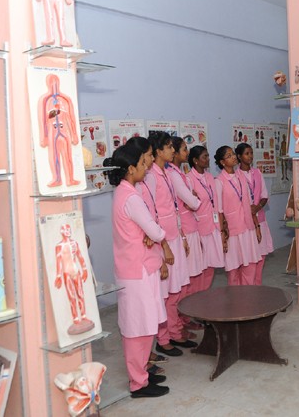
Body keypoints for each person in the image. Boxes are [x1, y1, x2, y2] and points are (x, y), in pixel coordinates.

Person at [104, 141, 171, 398]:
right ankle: (138, 383)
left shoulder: (125, 192)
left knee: (143, 324)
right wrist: (154, 234)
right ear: (131, 168)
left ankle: (142, 372)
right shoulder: (130, 196)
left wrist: (150, 233)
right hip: (136, 271)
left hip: (138, 267)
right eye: (144, 163)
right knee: (136, 328)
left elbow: (147, 229)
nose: (148, 167)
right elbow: (154, 229)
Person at [136, 133, 195, 357]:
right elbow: (152, 213)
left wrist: (182, 236)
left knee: (176, 289)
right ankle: (164, 338)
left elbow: (173, 208)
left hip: (173, 237)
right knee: (165, 292)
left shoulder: (167, 173)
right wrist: (163, 246)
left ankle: (174, 330)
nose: (173, 151)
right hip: (162, 240)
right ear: (158, 151)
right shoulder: (150, 177)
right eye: (169, 147)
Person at [166, 136, 205, 336]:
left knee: (191, 280)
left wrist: (193, 200)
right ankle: (180, 322)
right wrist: (193, 201)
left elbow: (192, 199)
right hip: (184, 231)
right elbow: (192, 201)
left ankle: (186, 318)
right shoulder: (171, 174)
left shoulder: (179, 173)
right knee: (184, 281)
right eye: (183, 149)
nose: (186, 153)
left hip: (191, 226)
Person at [214, 145, 260, 285]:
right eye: (229, 156)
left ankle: (248, 297)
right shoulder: (219, 181)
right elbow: (219, 212)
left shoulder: (241, 176)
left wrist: (256, 226)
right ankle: (236, 300)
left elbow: (250, 204)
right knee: (234, 269)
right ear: (222, 162)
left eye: (233, 154)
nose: (233, 157)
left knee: (250, 265)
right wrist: (222, 235)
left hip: (247, 227)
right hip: (232, 231)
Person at [188, 145, 225, 290]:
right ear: (195, 160)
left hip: (213, 226)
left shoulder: (210, 177)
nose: (208, 159)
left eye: (208, 156)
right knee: (199, 267)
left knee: (211, 265)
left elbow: (215, 203)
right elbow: (190, 208)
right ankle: (196, 297)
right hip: (199, 229)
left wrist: (221, 229)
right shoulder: (189, 179)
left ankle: (204, 295)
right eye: (205, 156)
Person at [235, 143, 272, 285]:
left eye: (251, 153)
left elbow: (264, 195)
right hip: (246, 224)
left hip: (260, 220)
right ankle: (245, 291)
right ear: (239, 156)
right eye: (246, 154)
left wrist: (258, 207)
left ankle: (258, 288)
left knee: (261, 258)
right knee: (247, 260)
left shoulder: (257, 173)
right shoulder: (236, 176)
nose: (250, 156)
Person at [38, 73, 80, 188]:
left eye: (55, 81)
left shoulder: (65, 99)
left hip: (64, 131)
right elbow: (42, 120)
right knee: (55, 156)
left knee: (67, 156)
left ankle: (70, 178)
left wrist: (74, 135)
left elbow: (72, 118)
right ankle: (57, 178)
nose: (54, 84)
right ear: (48, 84)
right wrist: (44, 137)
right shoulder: (45, 100)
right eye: (52, 82)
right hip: (53, 131)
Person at [54, 223, 95, 336]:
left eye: (69, 229)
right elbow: (58, 262)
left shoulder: (74, 243)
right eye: (66, 229)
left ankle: (83, 315)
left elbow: (80, 256)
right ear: (62, 231)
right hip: (67, 273)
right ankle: (75, 317)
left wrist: (85, 269)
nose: (68, 231)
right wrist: (58, 276)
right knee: (72, 296)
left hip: (75, 271)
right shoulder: (59, 246)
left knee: (80, 294)